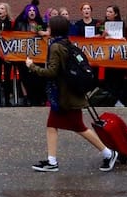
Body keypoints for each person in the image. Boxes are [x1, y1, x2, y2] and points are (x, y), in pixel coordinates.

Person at [24, 15, 117, 172]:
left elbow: (52, 72)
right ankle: (52, 161)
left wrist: (31, 66)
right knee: (52, 125)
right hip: (67, 94)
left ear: (54, 29)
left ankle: (108, 153)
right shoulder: (65, 43)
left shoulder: (55, 47)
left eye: (49, 27)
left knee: (79, 126)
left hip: (65, 96)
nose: (47, 29)